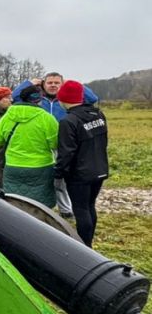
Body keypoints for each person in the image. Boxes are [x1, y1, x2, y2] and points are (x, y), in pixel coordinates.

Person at [14, 72, 100, 218]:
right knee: (45, 177)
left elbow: (93, 99)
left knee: (63, 178)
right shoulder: (38, 99)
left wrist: (72, 82)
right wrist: (29, 83)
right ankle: (43, 207)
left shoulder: (67, 101)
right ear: (43, 85)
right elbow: (15, 97)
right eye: (50, 83)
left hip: (65, 143)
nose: (53, 85)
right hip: (42, 144)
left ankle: (65, 209)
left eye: (57, 83)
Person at [54, 80, 109, 247]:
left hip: (80, 174)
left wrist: (58, 172)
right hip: (99, 168)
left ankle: (84, 246)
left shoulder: (69, 121)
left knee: (81, 209)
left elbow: (66, 152)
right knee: (90, 206)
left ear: (63, 99)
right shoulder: (98, 115)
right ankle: (89, 241)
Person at [0, 84, 59, 207]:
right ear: (40, 99)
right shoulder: (47, 118)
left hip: (13, 165)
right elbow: (55, 144)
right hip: (41, 167)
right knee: (41, 205)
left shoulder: (9, 116)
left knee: (14, 204)